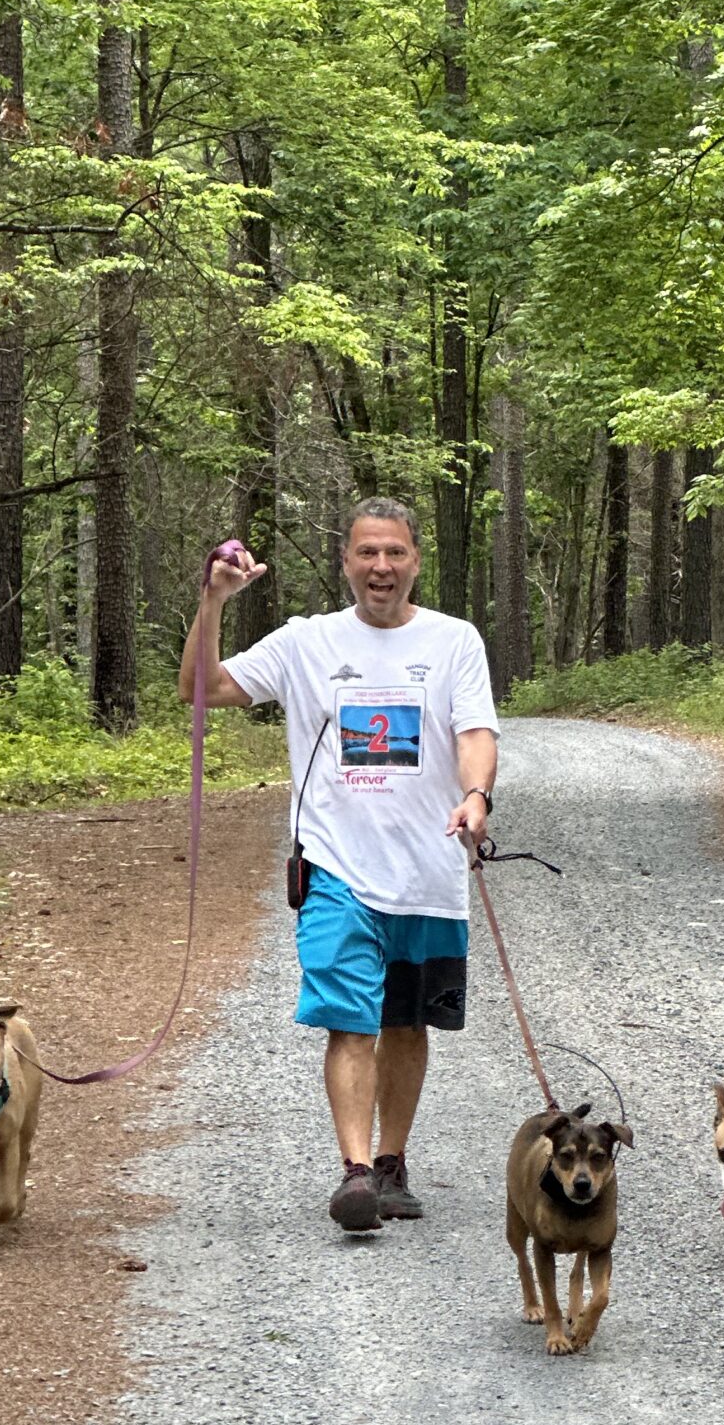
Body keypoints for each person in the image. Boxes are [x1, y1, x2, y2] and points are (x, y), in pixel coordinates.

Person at [180, 499, 500, 1234]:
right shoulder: (306, 642)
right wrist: (214, 603)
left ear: (416, 560)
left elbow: (476, 731)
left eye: (394, 553)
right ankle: (355, 1172)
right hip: (334, 867)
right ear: (346, 562)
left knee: (408, 1022)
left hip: (429, 870)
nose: (380, 567)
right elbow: (203, 690)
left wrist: (476, 795)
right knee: (351, 1021)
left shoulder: (455, 641)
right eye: (366, 554)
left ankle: (392, 1163)